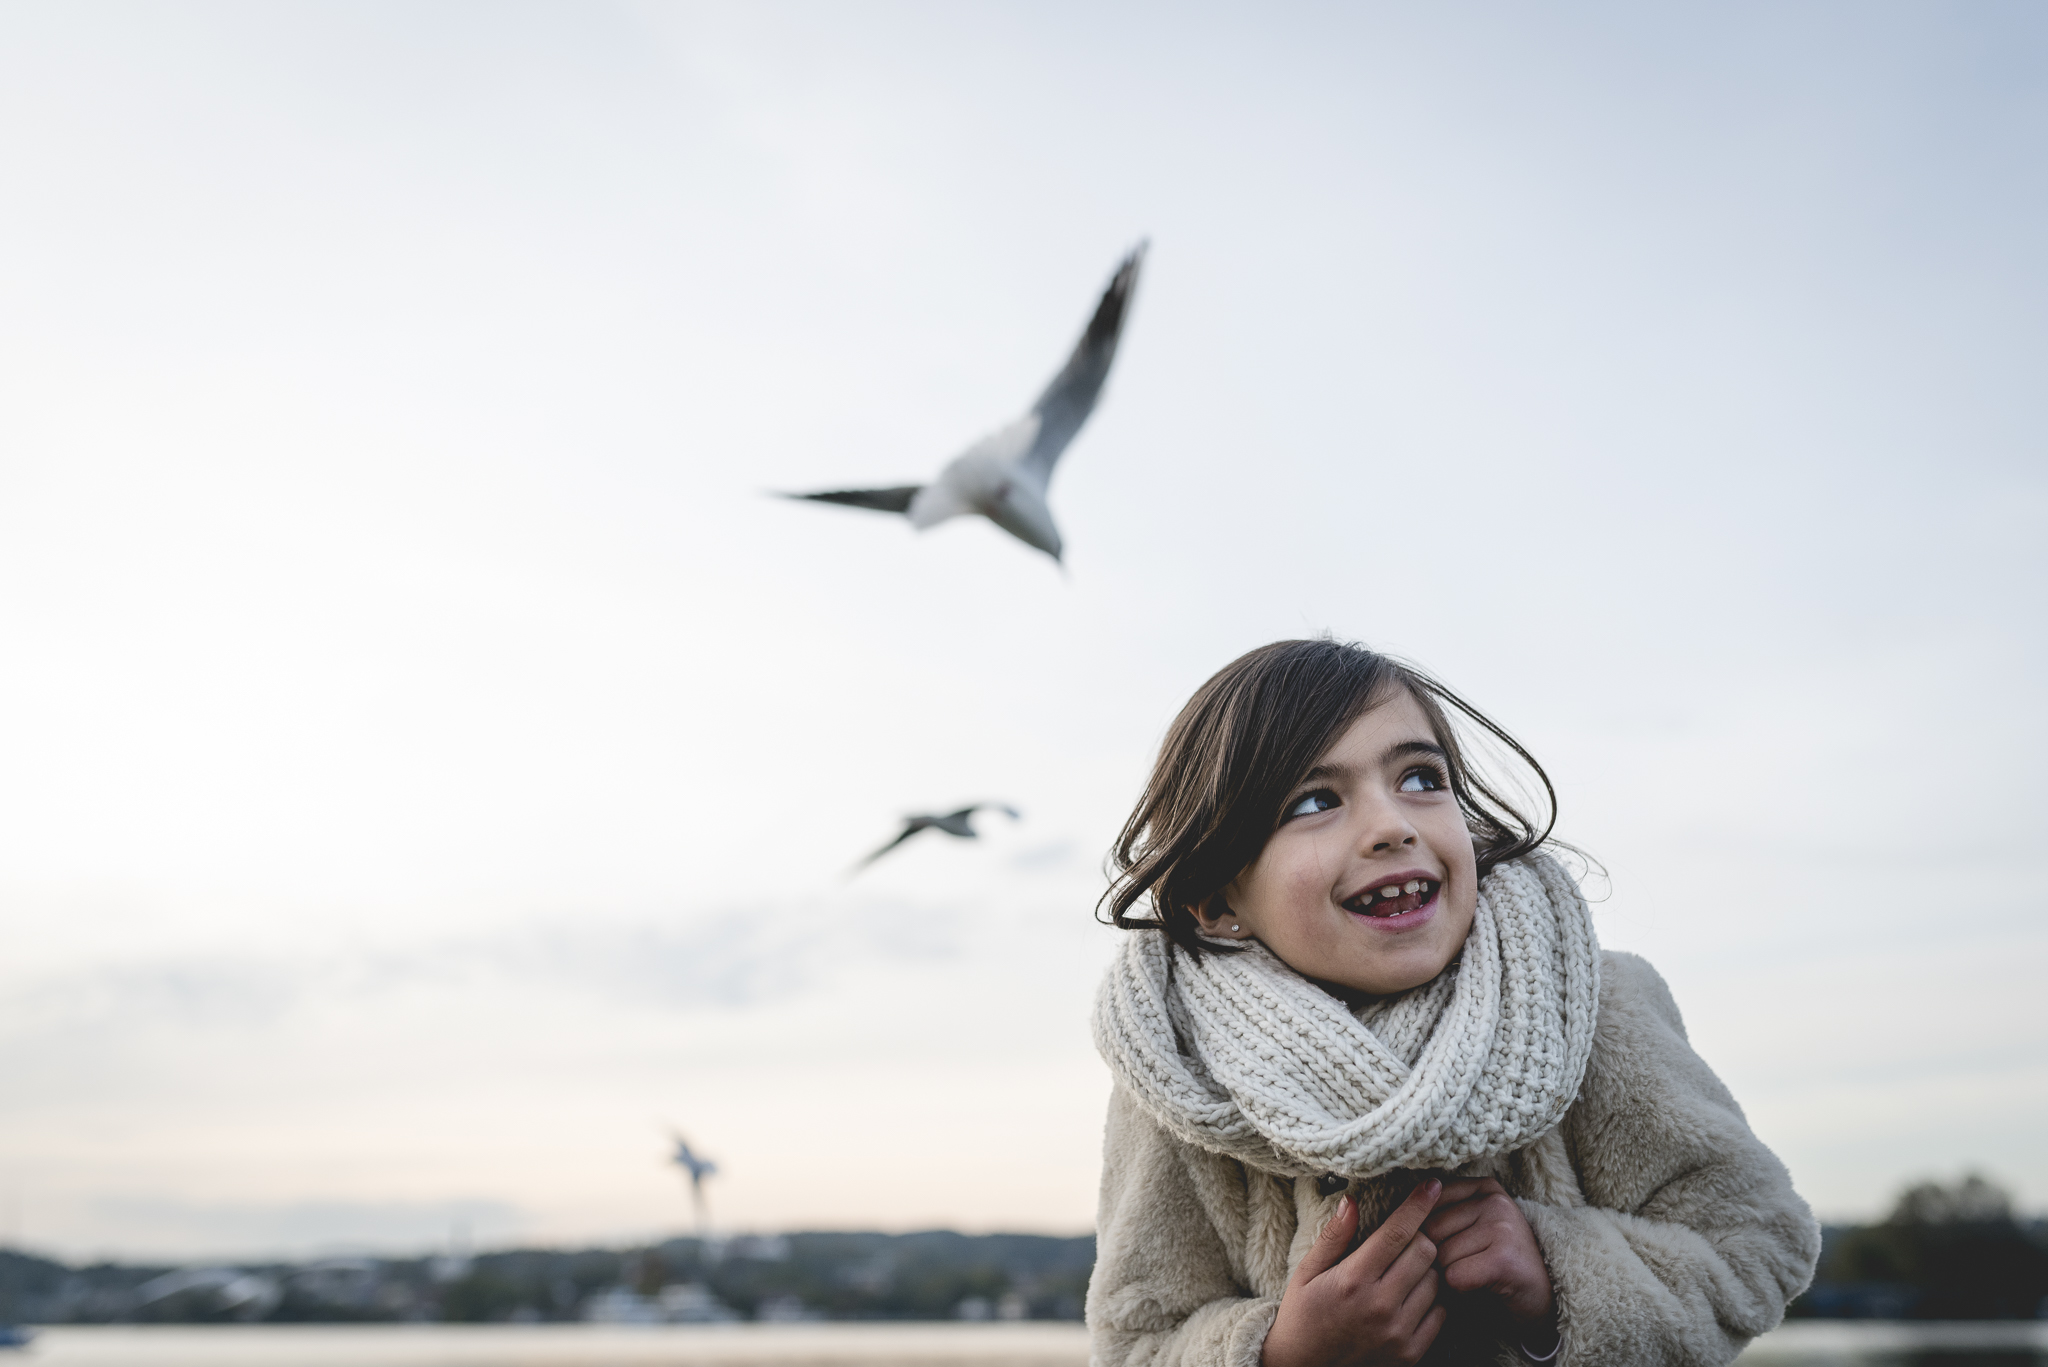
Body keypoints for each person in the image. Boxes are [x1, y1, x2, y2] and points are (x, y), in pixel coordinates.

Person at [1086, 639, 1819, 1367]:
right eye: (1315, 800)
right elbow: (1133, 1338)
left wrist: (1552, 1278)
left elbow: (1757, 1242)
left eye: (1419, 778)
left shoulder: (1587, 1010)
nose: (1393, 825)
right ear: (1217, 900)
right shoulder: (1181, 1067)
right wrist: (1284, 1354)